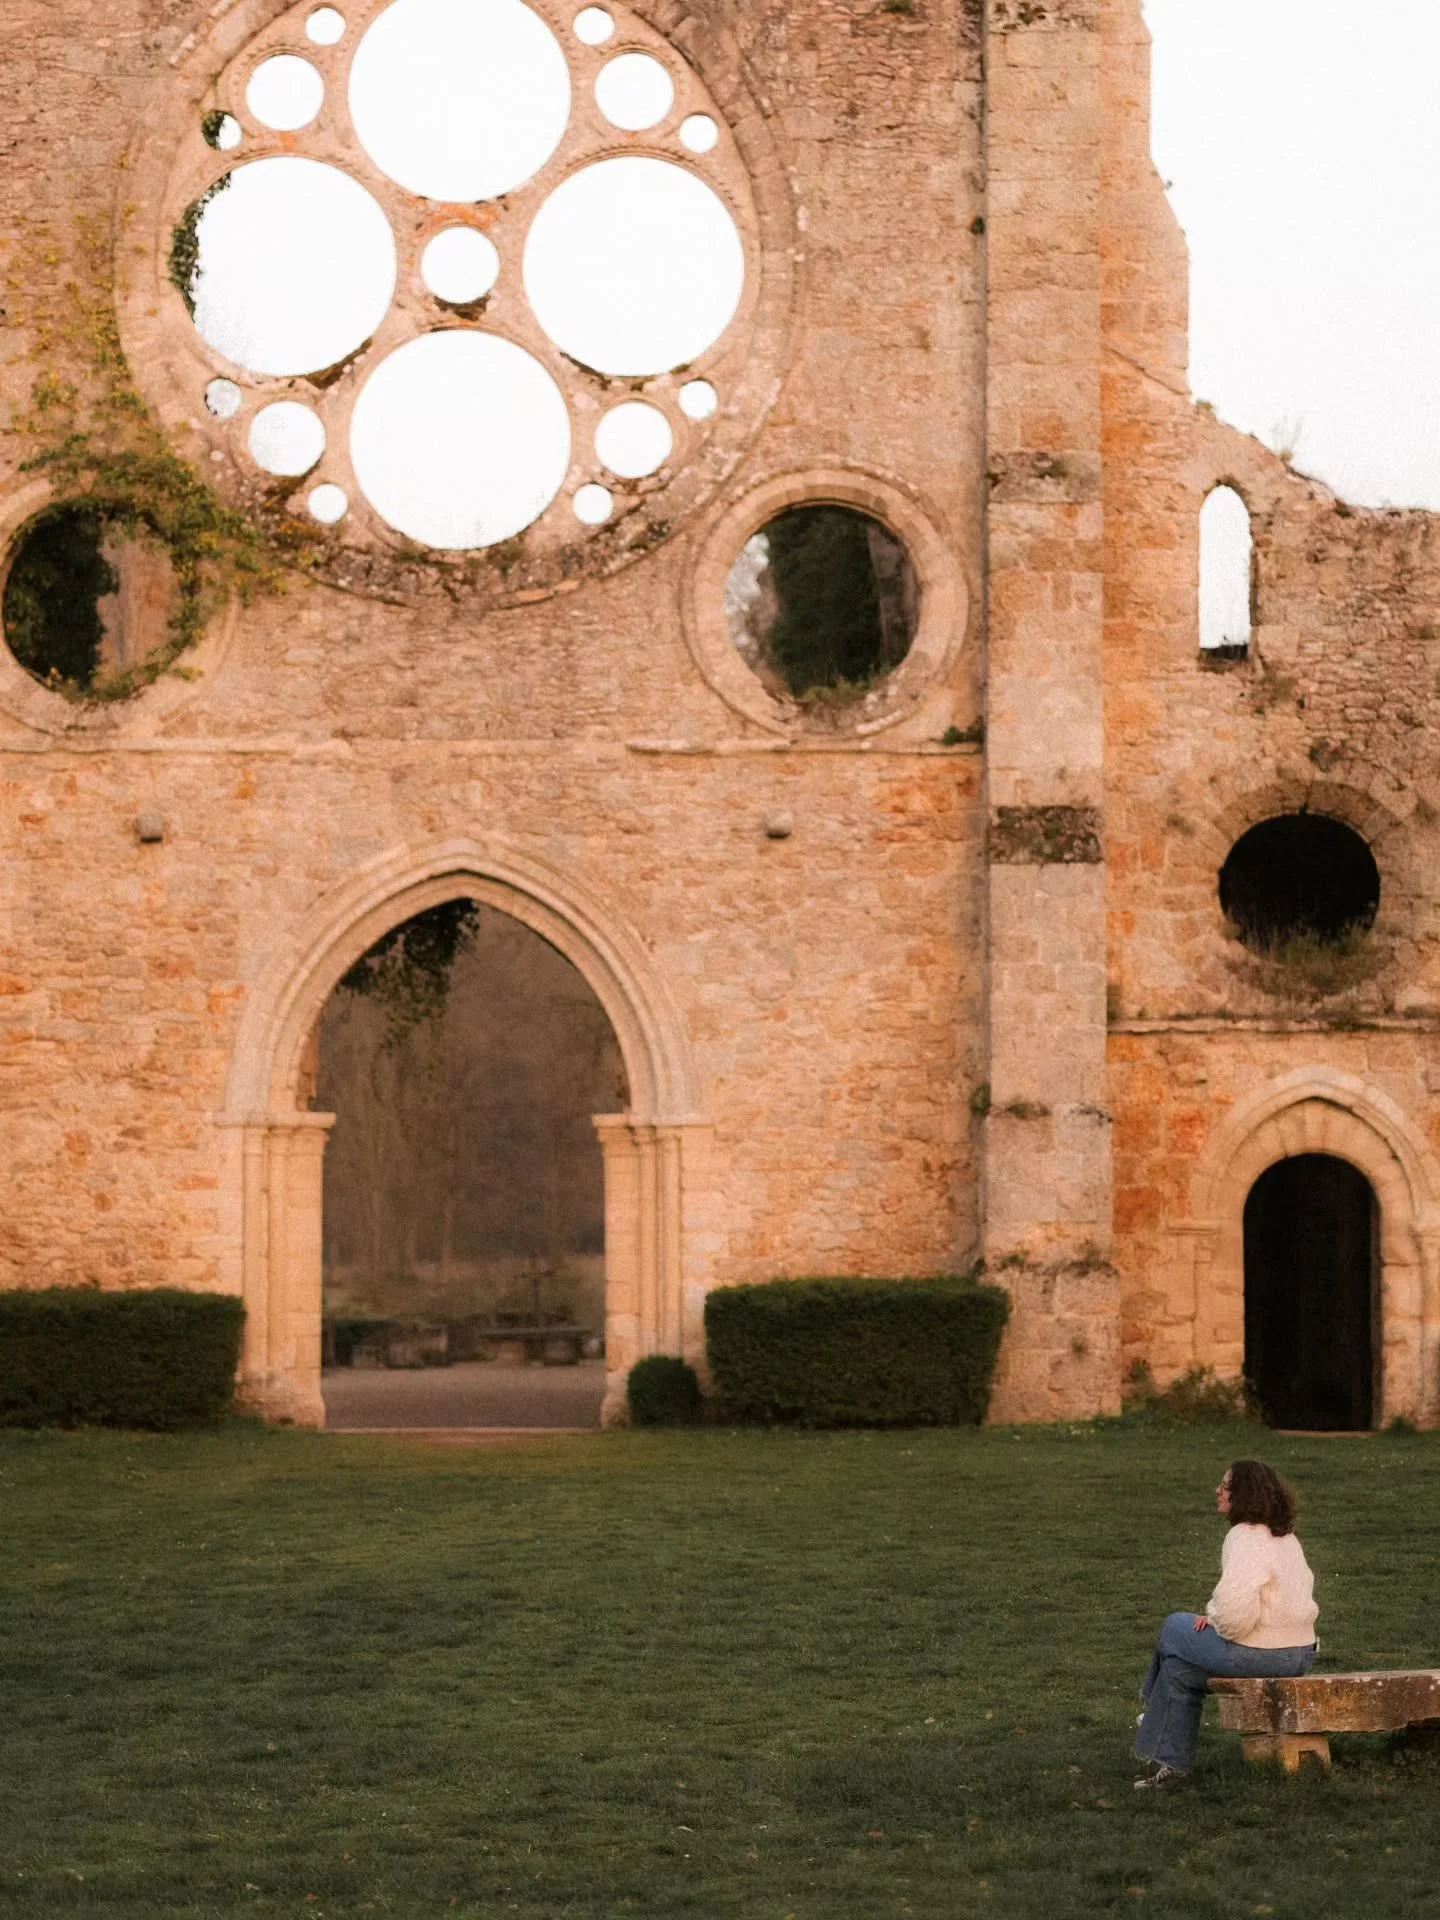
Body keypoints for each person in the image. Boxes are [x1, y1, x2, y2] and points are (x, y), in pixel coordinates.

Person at [1133, 1458, 1319, 1790]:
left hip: (1263, 1653)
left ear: (1243, 1494)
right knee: (1178, 1670)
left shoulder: (1244, 1536)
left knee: (1175, 1625)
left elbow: (1234, 1613)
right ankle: (1173, 1770)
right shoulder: (1285, 1537)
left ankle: (1150, 1708)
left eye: (1226, 1486)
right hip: (1301, 1653)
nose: (1218, 1491)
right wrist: (1218, 1616)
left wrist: (1218, 1620)